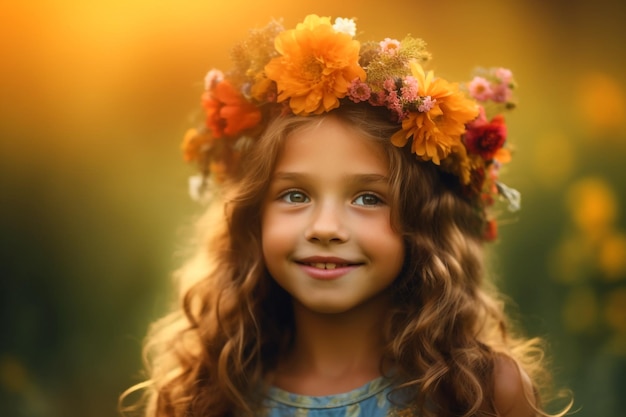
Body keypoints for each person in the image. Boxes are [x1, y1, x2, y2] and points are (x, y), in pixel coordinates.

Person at [122, 14, 572, 417]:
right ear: (252, 215)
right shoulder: (208, 396)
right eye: (295, 195)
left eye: (368, 199)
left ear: (421, 222)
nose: (325, 229)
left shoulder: (479, 394)